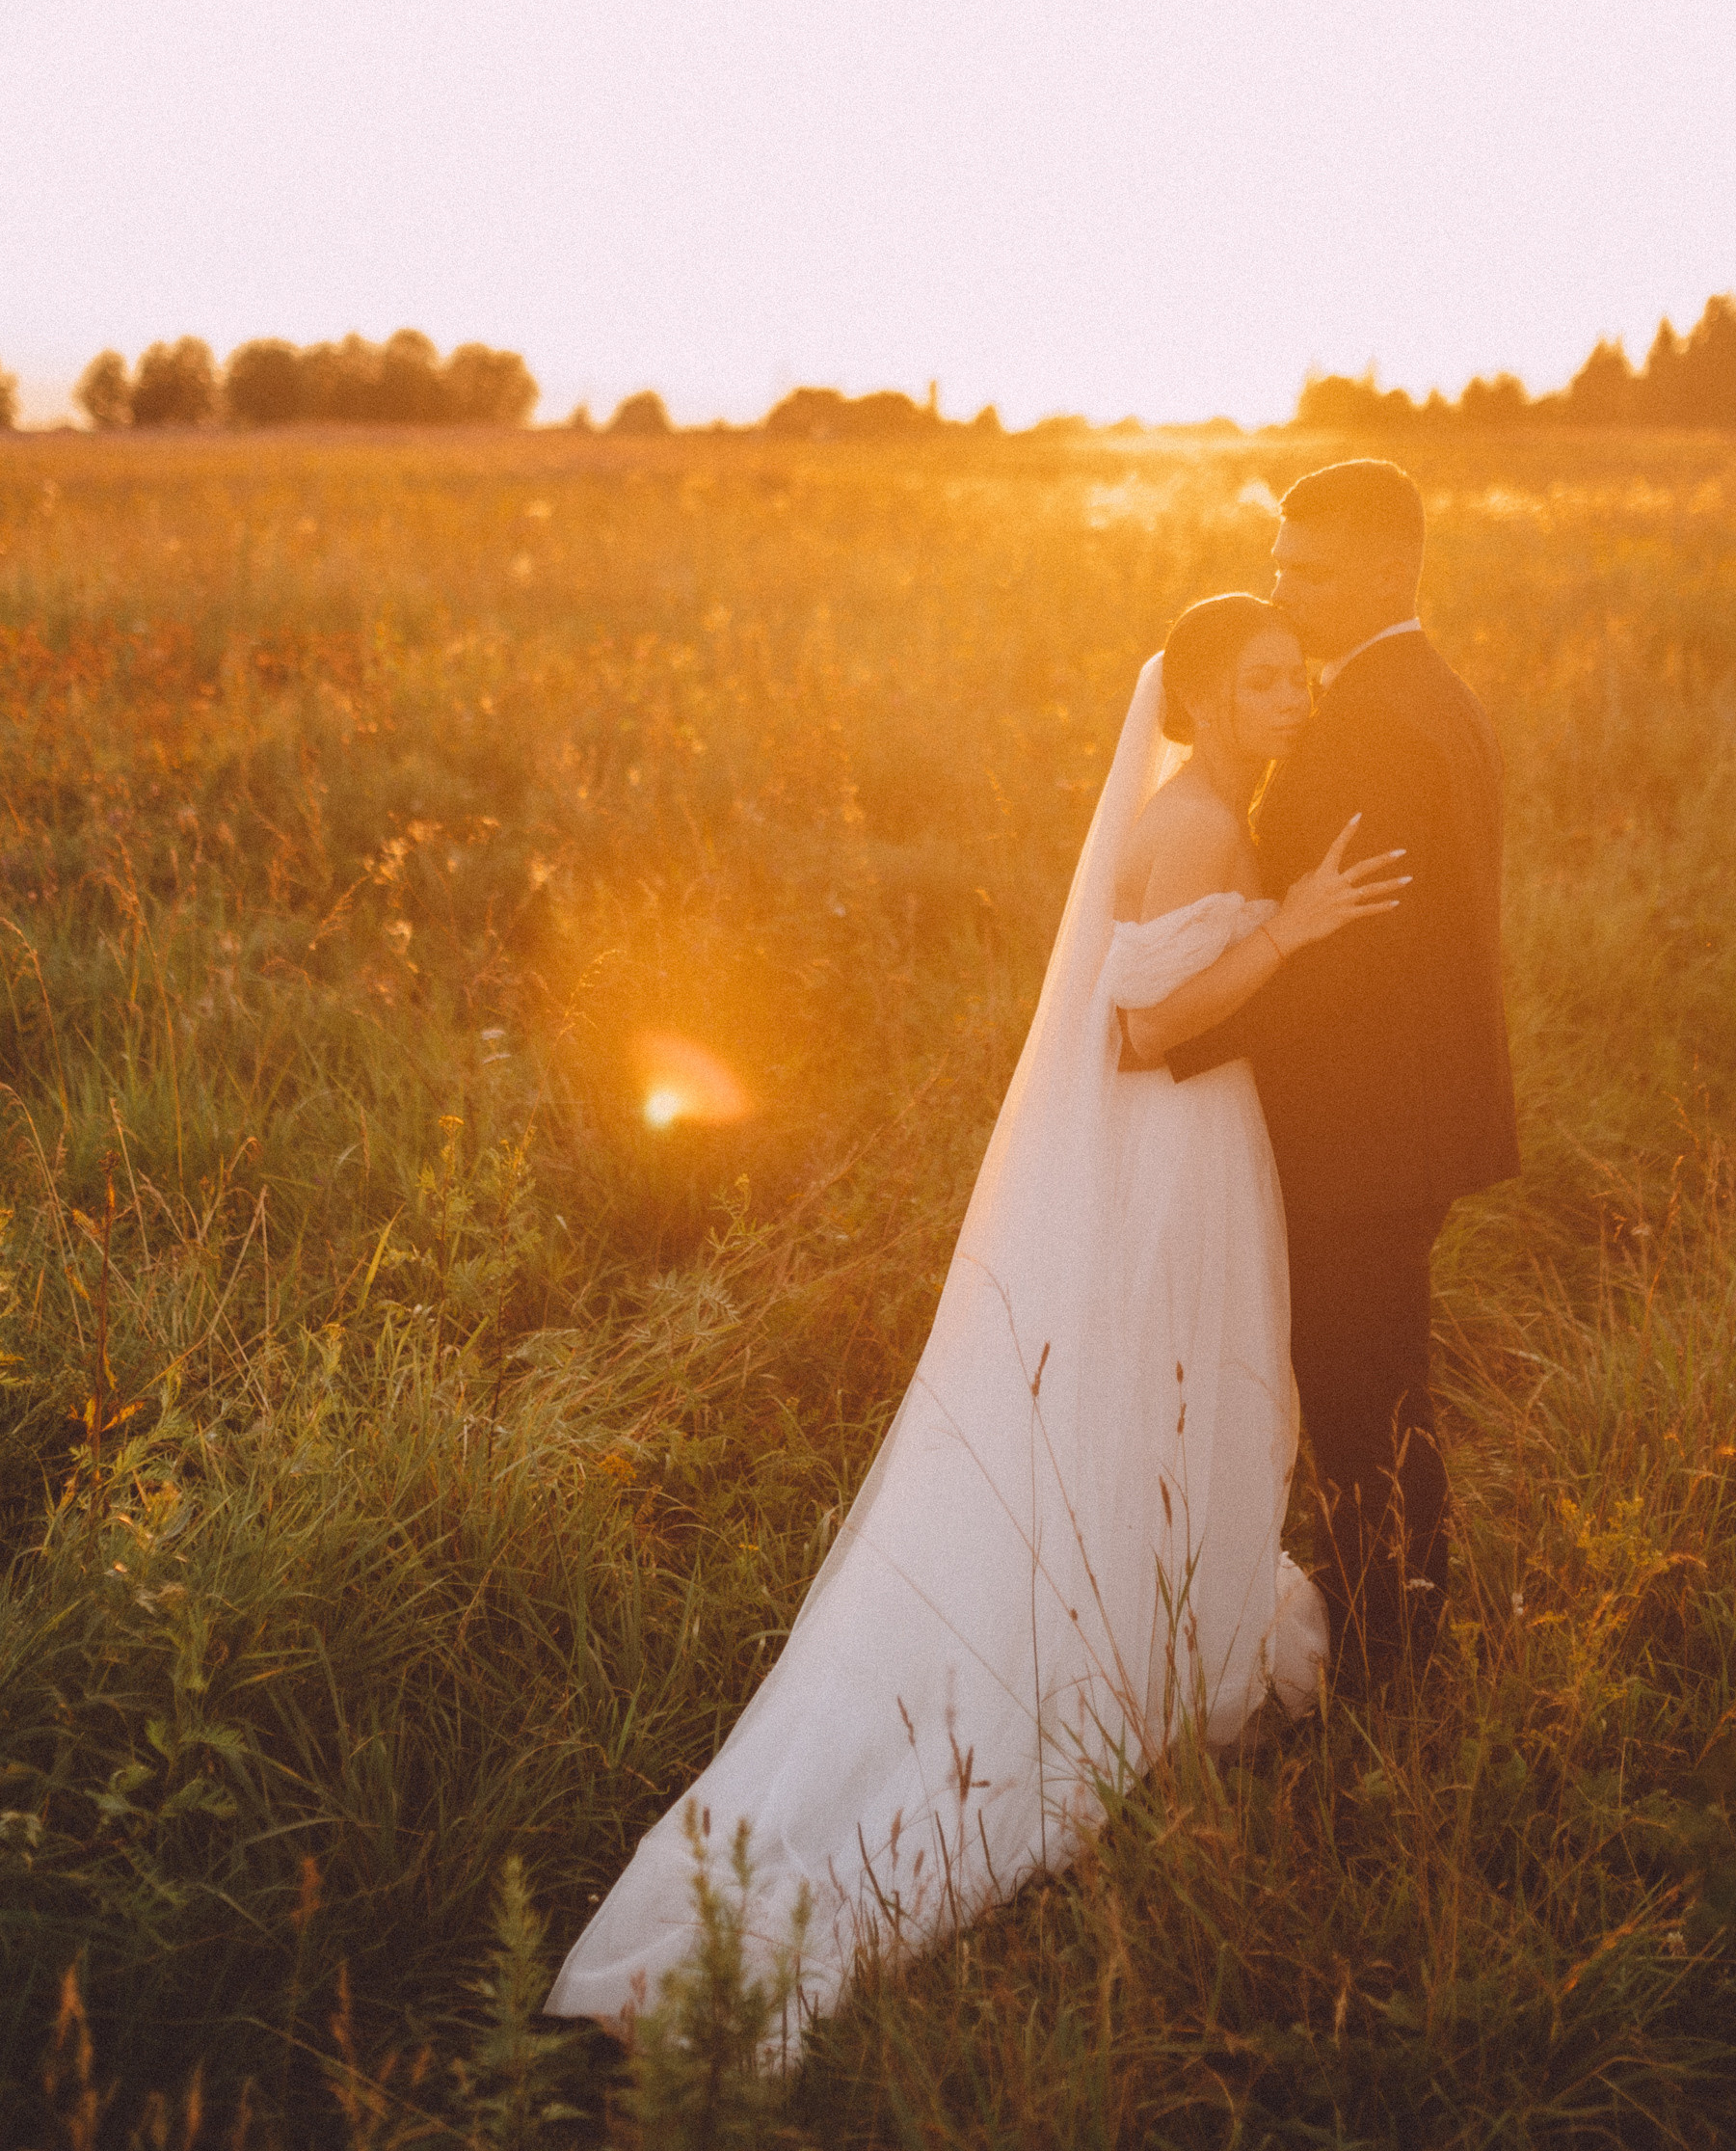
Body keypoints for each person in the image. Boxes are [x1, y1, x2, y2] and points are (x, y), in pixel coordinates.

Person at [546, 594, 1403, 2042]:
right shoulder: (1194, 821)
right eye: (1267, 684)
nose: (1295, 702)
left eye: (1300, 680)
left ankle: (1165, 1626)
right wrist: (1298, 929)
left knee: (1162, 1393)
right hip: (1173, 1153)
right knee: (1168, 1381)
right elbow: (1146, 1029)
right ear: (1200, 697)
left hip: (1188, 1150)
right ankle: (1101, 1678)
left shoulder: (1208, 801)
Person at [1132, 461, 1518, 1690]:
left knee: (1366, 1412)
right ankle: (1398, 1637)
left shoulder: (1371, 727)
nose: (1284, 591)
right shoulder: (1431, 693)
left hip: (1367, 1133)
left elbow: (1353, 965)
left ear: (1393, 572)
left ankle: (1393, 1667)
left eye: (1312, 571)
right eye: (1279, 563)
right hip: (1411, 1118)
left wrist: (1164, 1042)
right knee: (1378, 1392)